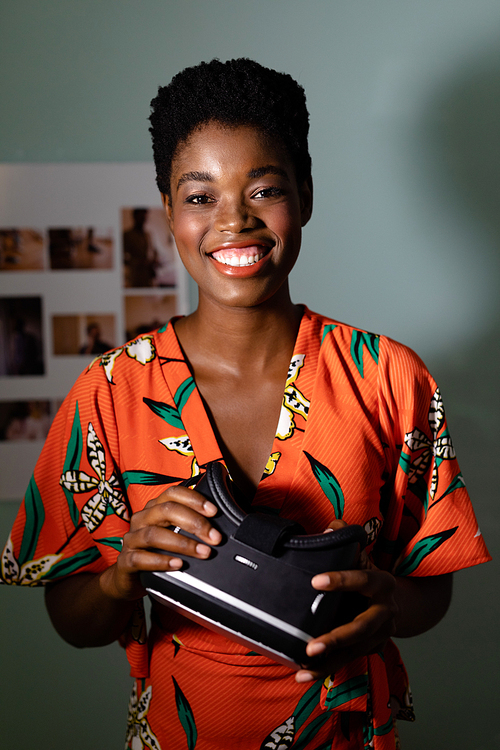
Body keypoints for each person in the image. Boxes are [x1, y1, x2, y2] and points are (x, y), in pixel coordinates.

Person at [1, 59, 490, 749]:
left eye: (264, 189)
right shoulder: (111, 392)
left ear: (306, 196)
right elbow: (71, 619)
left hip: (343, 735)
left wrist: (389, 604)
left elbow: (429, 591)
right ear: (169, 211)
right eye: (200, 197)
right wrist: (122, 576)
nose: (234, 220)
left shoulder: (387, 377)